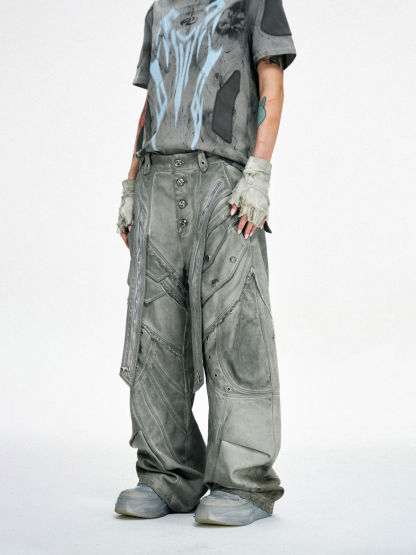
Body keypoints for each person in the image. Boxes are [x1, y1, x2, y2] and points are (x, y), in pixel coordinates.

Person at [114, 0, 296, 526]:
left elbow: (272, 82)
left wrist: (259, 171)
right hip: (156, 176)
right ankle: (166, 474)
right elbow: (152, 102)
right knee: (154, 332)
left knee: (236, 327)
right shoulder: (159, 9)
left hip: (223, 180)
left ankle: (245, 481)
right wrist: (130, 184)